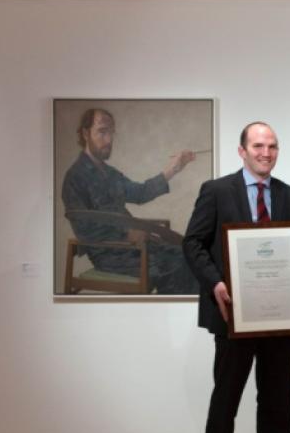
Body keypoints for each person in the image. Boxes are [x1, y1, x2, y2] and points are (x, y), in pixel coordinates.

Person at [182, 122, 290, 433]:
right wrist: (216, 282)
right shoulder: (216, 191)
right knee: (226, 401)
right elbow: (192, 243)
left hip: (279, 320)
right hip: (231, 318)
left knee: (276, 404)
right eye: (257, 145)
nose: (265, 152)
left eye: (272, 146)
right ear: (242, 151)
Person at [61, 108, 198, 294]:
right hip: (111, 254)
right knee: (177, 264)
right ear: (85, 133)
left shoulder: (110, 174)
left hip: (134, 247)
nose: (109, 140)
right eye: (102, 132)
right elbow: (85, 229)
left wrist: (173, 169)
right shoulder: (75, 177)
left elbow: (140, 193)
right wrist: (127, 236)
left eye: (111, 133)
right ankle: (167, 317)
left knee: (191, 255)